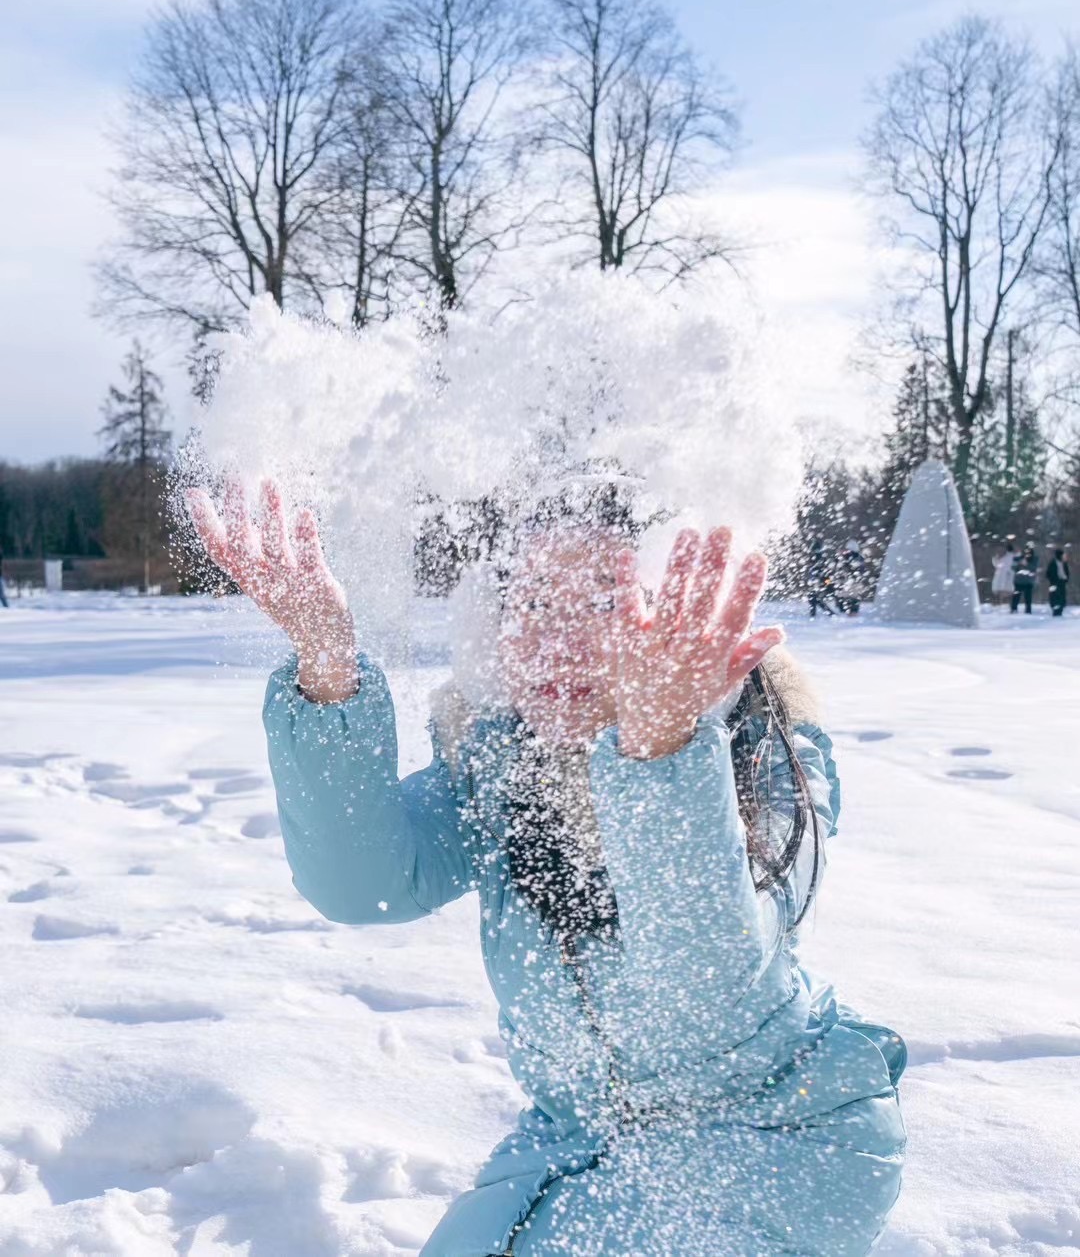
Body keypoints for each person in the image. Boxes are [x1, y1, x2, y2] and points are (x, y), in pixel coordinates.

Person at [187, 481, 906, 1257]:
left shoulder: (763, 753)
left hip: (774, 1139)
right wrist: (327, 668)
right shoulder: (501, 760)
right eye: (531, 604)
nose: (555, 642)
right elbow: (365, 882)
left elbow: (707, 984)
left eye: (601, 603)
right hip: (573, 1140)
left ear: (679, 615)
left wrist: (662, 749)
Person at [1011, 544, 1038, 614]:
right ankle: (1014, 609)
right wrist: (1019, 564)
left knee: (1028, 597)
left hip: (1028, 581)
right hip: (1019, 580)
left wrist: (1026, 564)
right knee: (1016, 596)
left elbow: (1033, 568)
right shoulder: (1019, 558)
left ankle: (1028, 610)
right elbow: (1013, 567)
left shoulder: (1034, 559)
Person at [991, 540, 1017, 604]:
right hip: (1008, 575)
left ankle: (1001, 602)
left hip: (1003, 575)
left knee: (1002, 590)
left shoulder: (1006, 557)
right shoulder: (1013, 557)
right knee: (1007, 590)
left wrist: (995, 558)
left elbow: (997, 564)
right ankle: (1006, 603)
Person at [1046, 547, 1070, 617]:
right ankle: (1055, 610)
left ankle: (1060, 610)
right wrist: (1053, 580)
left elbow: (1067, 572)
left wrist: (1066, 579)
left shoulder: (1064, 563)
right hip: (1054, 582)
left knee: (1062, 596)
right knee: (1054, 597)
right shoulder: (1052, 563)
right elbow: (1048, 573)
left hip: (1062, 582)